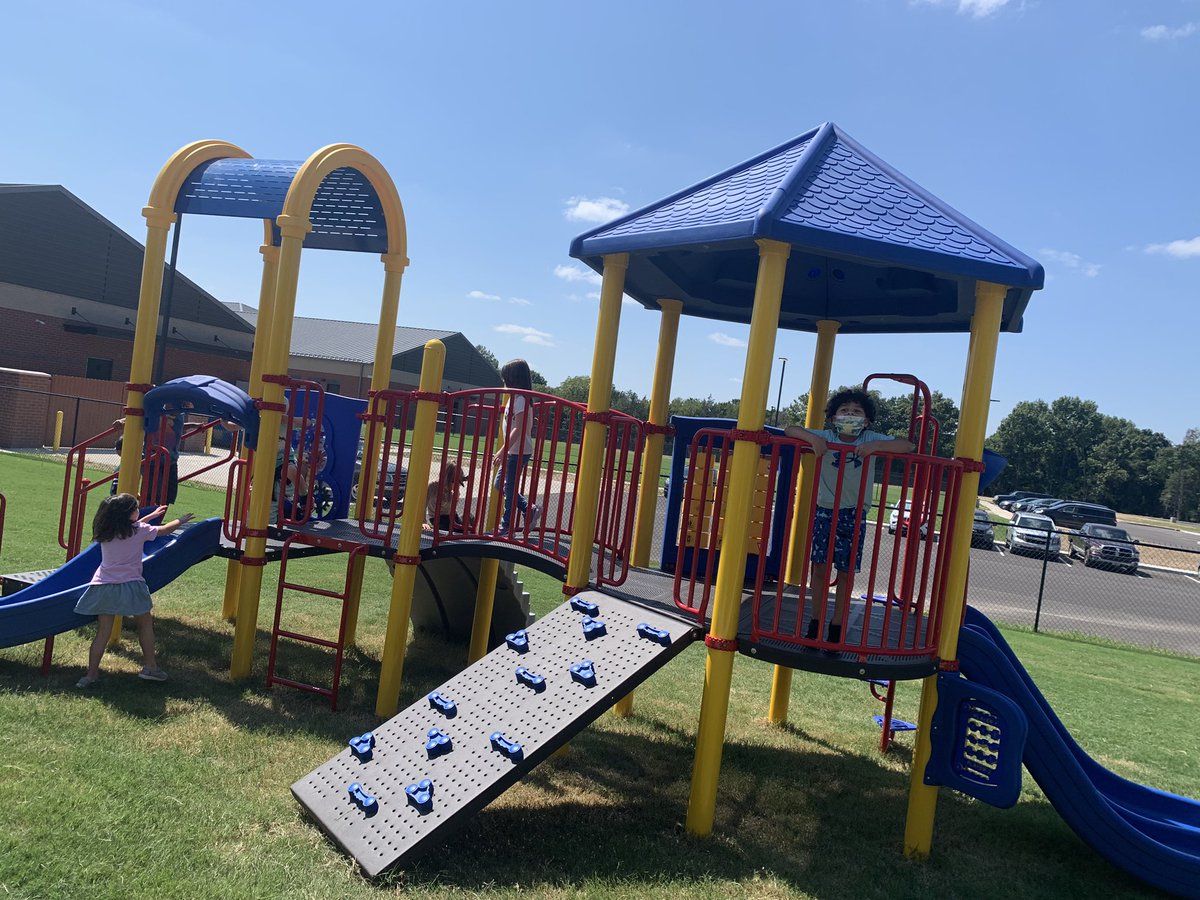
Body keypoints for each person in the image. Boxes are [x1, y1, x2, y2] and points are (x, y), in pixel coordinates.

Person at [784, 389, 913, 644]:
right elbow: (790, 429)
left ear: (866, 420)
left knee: (845, 572)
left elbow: (907, 446)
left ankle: (836, 627)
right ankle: (815, 621)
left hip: (854, 514)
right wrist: (812, 438)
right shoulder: (827, 436)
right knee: (819, 569)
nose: (850, 415)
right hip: (824, 510)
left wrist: (876, 446)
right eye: (844, 411)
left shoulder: (869, 438)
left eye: (856, 411)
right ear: (833, 417)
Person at [73, 493, 194, 687]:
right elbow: (163, 531)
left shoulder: (106, 531)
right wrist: (181, 520)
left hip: (104, 584)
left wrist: (151, 515)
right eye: (135, 509)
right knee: (145, 625)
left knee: (103, 632)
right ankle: (151, 668)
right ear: (127, 515)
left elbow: (134, 526)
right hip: (132, 584)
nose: (138, 511)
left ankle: (90, 675)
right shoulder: (140, 530)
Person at [492, 359, 541, 536]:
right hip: (514, 450)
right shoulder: (515, 400)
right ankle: (529, 508)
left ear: (514, 381)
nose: (504, 384)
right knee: (500, 484)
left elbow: (518, 428)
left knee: (509, 487)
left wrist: (503, 450)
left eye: (506, 380)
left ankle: (506, 526)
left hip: (517, 451)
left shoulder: (520, 400)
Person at [424, 461, 474, 533]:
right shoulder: (433, 486)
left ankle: (473, 538)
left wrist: (455, 496)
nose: (457, 485)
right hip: (438, 518)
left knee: (469, 520)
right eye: (454, 482)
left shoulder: (453, 491)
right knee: (457, 531)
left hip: (451, 516)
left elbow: (452, 509)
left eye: (459, 483)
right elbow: (423, 505)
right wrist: (423, 522)